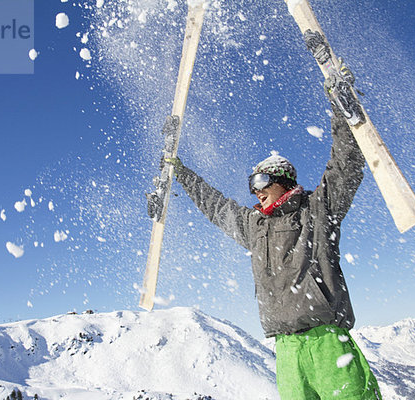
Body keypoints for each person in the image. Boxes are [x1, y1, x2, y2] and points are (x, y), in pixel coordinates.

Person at [162, 111, 382, 399]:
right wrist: (181, 172)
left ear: (283, 180)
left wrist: (342, 110)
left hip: (326, 342)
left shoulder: (316, 211)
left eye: (262, 181)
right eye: (252, 185)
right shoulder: (255, 227)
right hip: (286, 350)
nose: (256, 191)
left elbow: (346, 164)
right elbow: (215, 206)